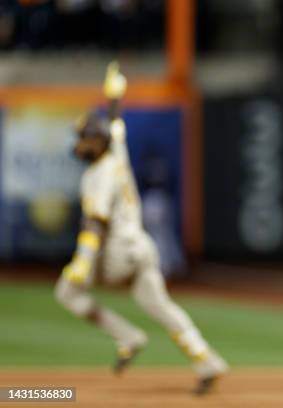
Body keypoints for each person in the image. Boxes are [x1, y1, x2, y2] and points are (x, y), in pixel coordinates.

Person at [54, 62, 227, 394]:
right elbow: (116, 125)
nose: (79, 142)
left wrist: (83, 262)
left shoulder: (99, 174)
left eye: (83, 137)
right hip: (143, 248)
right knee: (162, 307)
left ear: (95, 142)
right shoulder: (115, 150)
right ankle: (207, 360)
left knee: (67, 290)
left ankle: (127, 336)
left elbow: (96, 221)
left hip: (117, 254)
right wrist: (114, 96)